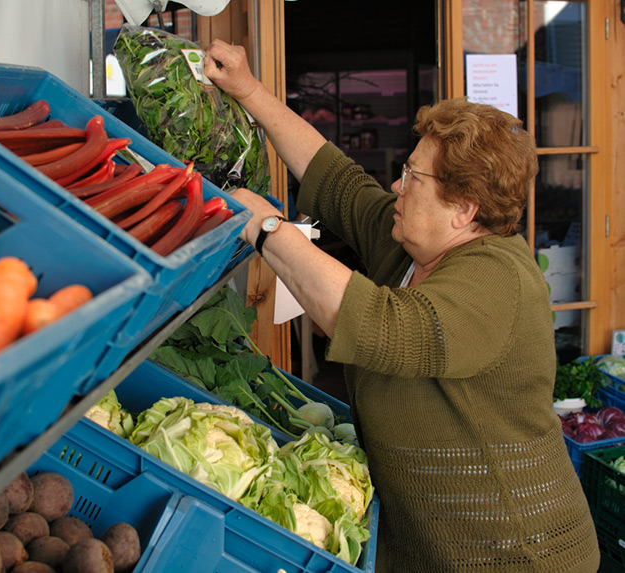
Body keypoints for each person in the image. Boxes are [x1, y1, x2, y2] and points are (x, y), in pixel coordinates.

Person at [203, 39, 599, 572]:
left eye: (414, 177)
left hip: (517, 555)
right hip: (425, 547)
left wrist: (269, 229)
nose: (397, 184)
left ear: (463, 209)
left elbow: (375, 326)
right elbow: (336, 179)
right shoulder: (409, 242)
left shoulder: (499, 280)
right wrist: (247, 89)